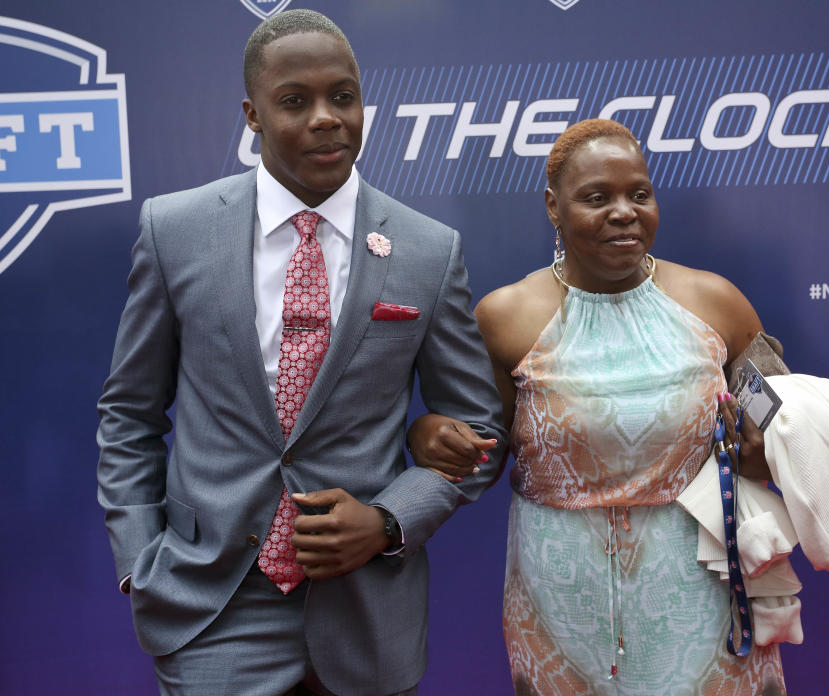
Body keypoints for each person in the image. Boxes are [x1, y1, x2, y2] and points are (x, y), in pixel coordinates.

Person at [96, 9, 505, 696]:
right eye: (296, 101)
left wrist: (386, 521)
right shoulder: (175, 231)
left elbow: (480, 433)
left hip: (368, 610)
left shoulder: (429, 250)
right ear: (253, 115)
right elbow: (129, 413)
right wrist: (140, 560)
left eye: (342, 96)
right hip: (212, 605)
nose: (326, 117)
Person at [408, 119, 787, 694]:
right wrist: (431, 436)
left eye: (639, 194)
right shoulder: (506, 318)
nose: (624, 212)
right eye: (596, 197)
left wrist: (768, 452)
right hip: (562, 598)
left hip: (702, 591)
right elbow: (481, 454)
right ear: (552, 208)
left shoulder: (719, 303)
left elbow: (787, 431)